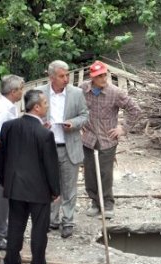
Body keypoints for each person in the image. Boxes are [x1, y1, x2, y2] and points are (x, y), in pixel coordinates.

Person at [0, 89, 60, 264]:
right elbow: (51, 166)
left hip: (15, 186)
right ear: (37, 107)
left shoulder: (9, 127)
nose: (47, 106)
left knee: (15, 226)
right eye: (45, 103)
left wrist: (5, 181)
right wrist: (55, 190)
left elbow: (2, 157)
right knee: (39, 230)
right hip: (39, 190)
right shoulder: (44, 134)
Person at [80, 60, 141, 219]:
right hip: (88, 138)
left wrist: (123, 128)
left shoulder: (115, 92)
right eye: (99, 76)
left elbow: (135, 110)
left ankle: (107, 204)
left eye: (104, 75)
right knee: (90, 173)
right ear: (92, 77)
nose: (103, 79)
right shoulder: (83, 89)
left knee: (105, 173)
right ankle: (95, 202)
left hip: (107, 139)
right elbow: (73, 106)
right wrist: (78, 123)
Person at [36, 60, 89, 238]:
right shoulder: (39, 93)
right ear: (51, 77)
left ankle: (68, 221)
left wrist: (72, 123)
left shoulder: (77, 93)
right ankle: (52, 220)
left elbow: (84, 115)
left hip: (69, 146)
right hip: (47, 147)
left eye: (67, 75)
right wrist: (41, 125)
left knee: (69, 187)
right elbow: (31, 115)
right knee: (48, 186)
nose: (66, 79)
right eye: (62, 76)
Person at [0, 74, 24, 251]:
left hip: (5, 159)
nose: (22, 93)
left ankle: (2, 230)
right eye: (21, 90)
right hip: (1, 160)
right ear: (13, 91)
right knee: (0, 199)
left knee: (6, 197)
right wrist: (4, 153)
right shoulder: (3, 109)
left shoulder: (7, 105)